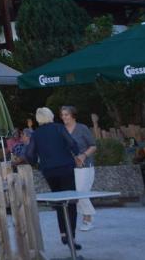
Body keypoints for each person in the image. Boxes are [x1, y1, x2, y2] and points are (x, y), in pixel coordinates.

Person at [24, 107, 82, 251]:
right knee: (71, 202)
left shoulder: (36, 134)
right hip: (66, 168)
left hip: (49, 172)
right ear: (50, 116)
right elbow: (73, 144)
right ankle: (71, 236)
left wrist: (37, 165)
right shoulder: (59, 128)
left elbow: (29, 154)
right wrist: (75, 153)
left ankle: (63, 232)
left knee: (59, 202)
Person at [61, 106, 97, 231]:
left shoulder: (82, 128)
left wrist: (83, 155)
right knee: (76, 193)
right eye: (62, 115)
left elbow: (93, 146)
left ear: (73, 115)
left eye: (66, 114)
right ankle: (87, 217)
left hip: (85, 165)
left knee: (81, 192)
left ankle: (88, 219)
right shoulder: (62, 130)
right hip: (69, 167)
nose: (64, 117)